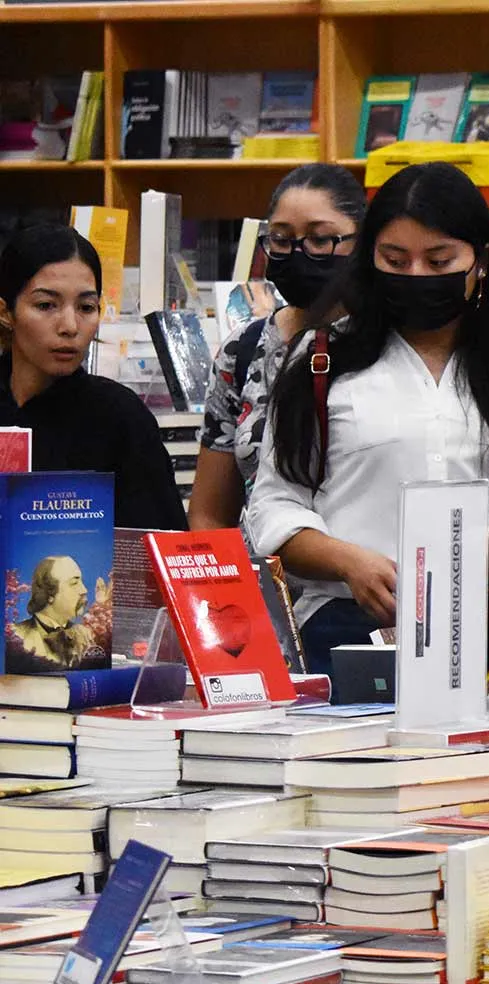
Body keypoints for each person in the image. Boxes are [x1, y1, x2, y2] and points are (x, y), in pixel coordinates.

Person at [246, 162, 489, 676]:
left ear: (479, 261)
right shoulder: (323, 359)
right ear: (370, 259)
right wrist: (349, 562)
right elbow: (275, 505)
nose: (416, 276)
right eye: (395, 259)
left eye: (439, 261)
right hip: (351, 635)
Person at [192, 163, 365, 531]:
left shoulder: (388, 345)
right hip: (259, 581)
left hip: (364, 576)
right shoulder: (242, 349)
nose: (299, 254)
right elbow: (210, 513)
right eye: (282, 240)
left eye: (320, 239)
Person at [0, 224, 185, 531]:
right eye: (46, 305)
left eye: (86, 307)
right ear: (7, 312)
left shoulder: (120, 418)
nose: (70, 326)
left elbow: (165, 549)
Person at [8, 555, 99, 672]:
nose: (84, 590)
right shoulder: (16, 637)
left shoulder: (86, 636)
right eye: (74, 583)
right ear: (49, 594)